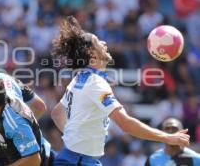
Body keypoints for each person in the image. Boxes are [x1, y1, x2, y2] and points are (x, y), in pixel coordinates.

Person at [50, 16, 190, 166]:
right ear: (92, 54)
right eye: (98, 42)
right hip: (79, 161)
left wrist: (75, 138)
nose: (104, 43)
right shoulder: (95, 83)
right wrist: (167, 138)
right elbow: (125, 124)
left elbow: (57, 113)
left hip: (75, 158)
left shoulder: (79, 78)